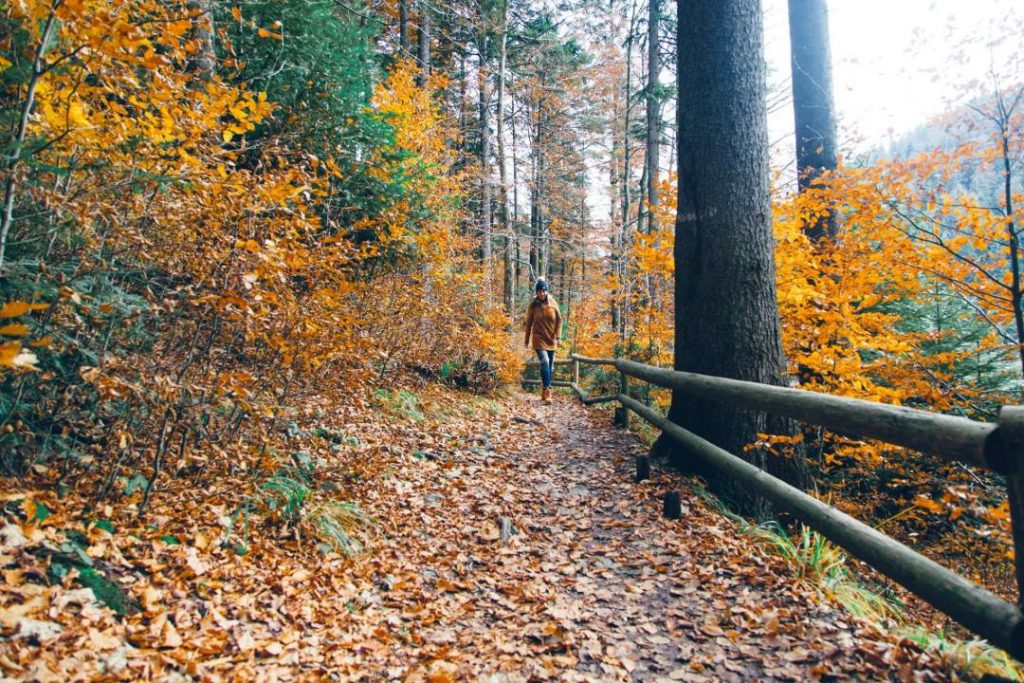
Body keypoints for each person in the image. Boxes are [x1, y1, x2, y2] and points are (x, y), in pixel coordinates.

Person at [524, 278, 562, 402]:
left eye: (543, 291)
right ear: (536, 292)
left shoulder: (553, 303)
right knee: (545, 361)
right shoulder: (533, 305)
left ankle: (544, 390)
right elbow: (529, 324)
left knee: (550, 366)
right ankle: (547, 391)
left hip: (551, 338)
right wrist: (526, 340)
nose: (541, 293)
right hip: (538, 338)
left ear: (546, 292)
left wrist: (558, 336)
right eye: (539, 291)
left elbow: (560, 320)